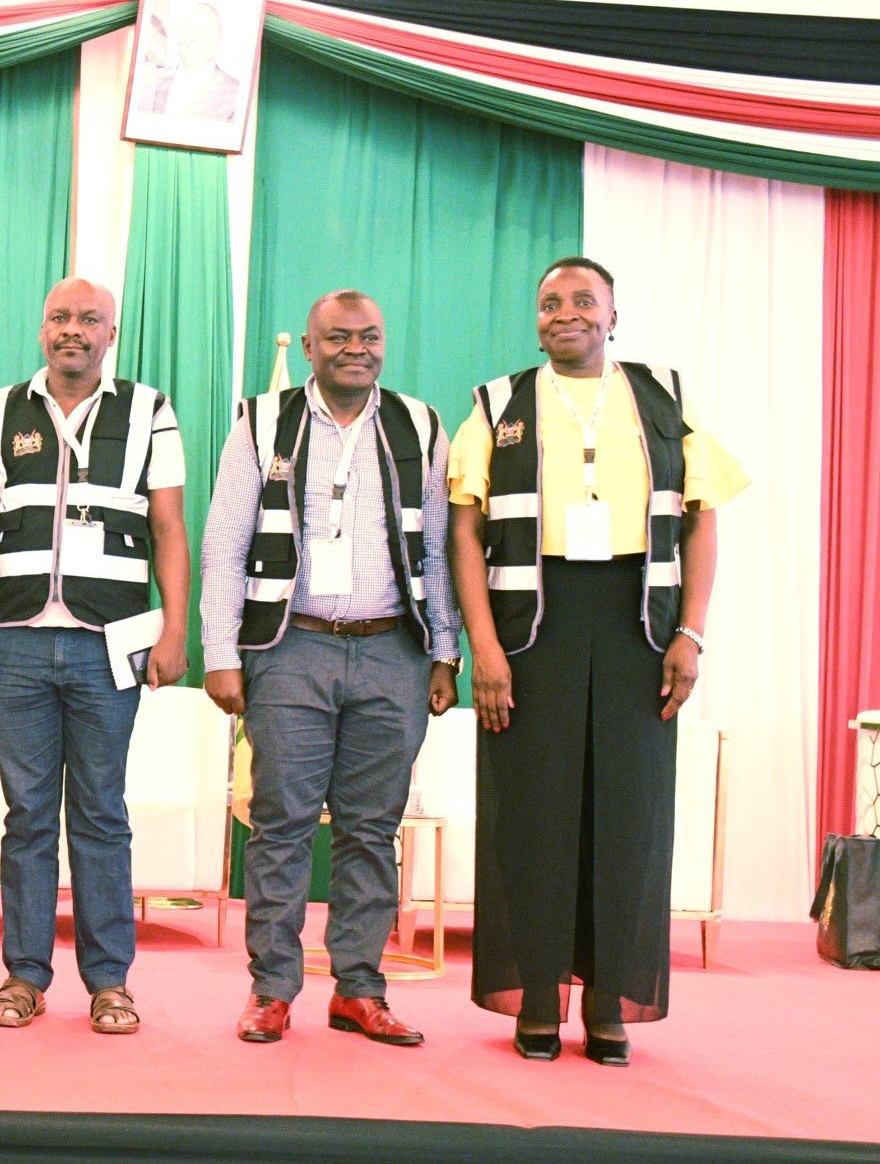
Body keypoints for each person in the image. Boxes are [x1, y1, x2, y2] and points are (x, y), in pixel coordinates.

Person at [447, 256, 748, 1066]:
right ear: (535, 319)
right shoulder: (497, 404)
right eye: (550, 303)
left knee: (628, 814)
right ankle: (539, 996)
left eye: (585, 300)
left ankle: (610, 999)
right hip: (530, 631)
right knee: (531, 814)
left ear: (613, 315)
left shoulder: (663, 398)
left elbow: (702, 518)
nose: (566, 313)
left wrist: (692, 634)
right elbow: (465, 531)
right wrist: (483, 647)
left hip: (637, 629)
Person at [200, 290, 461, 1048]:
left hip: (393, 652)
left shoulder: (420, 425)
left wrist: (445, 651)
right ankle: (272, 989)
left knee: (371, 829)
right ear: (310, 348)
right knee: (280, 825)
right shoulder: (262, 422)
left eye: (369, 337)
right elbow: (224, 544)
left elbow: (438, 548)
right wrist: (221, 654)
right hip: (291, 647)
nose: (357, 349)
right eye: (339, 338)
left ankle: (359, 990)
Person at [0, 277, 191, 1035]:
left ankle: (109, 981)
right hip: (14, 641)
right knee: (27, 816)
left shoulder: (149, 409)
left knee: (100, 812)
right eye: (60, 317)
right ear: (41, 329)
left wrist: (174, 630)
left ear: (110, 334)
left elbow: (170, 527)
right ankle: (24, 975)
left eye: (90, 319)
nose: (73, 330)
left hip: (109, 643)